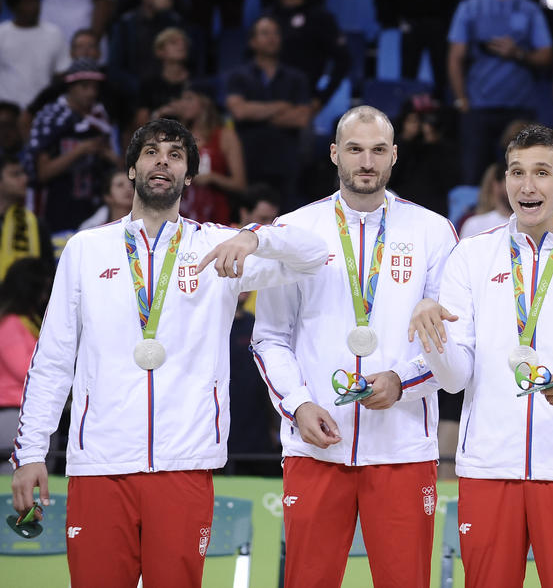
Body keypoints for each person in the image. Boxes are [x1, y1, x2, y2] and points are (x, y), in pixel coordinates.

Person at [9, 118, 327, 587]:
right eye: (152, 152)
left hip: (185, 463)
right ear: (133, 170)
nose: (163, 161)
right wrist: (32, 451)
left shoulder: (219, 248)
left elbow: (315, 254)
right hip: (100, 462)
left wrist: (254, 236)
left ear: (189, 177)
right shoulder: (85, 249)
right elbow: (53, 359)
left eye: (176, 155)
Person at [410, 124, 553, 587]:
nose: (527, 186)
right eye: (517, 172)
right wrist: (433, 338)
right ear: (503, 181)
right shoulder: (470, 256)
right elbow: (456, 379)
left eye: (541, 172)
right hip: (489, 467)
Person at [252, 105, 458, 587]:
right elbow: (270, 338)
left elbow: (452, 337)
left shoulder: (432, 231)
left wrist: (403, 382)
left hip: (403, 447)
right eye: (355, 149)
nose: (366, 162)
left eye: (378, 150)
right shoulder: (294, 229)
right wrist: (298, 404)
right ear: (334, 154)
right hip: (317, 445)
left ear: (394, 157)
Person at [447, 0, 553, 185]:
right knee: (473, 178)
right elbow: (455, 57)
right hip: (478, 109)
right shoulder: (470, 8)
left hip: (520, 109)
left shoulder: (529, 10)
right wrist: (461, 101)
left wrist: (518, 54)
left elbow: (547, 55)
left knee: (524, 179)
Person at [225, 16, 311, 207]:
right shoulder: (238, 76)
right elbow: (239, 112)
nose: (272, 38)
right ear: (252, 41)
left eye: (276, 34)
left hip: (286, 163)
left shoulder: (297, 78)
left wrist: (256, 113)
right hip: (249, 160)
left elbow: (302, 118)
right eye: (265, 34)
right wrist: (281, 107)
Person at [26, 58, 119, 232]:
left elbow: (118, 168)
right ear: (70, 87)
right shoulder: (51, 118)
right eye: (85, 87)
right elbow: (42, 173)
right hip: (57, 208)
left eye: (95, 87)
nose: (91, 93)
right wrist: (80, 151)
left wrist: (108, 155)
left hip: (94, 209)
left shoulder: (101, 118)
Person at [265, 0, 350, 110]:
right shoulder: (268, 17)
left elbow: (343, 61)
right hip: (265, 101)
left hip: (301, 102)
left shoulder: (319, 17)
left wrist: (322, 98)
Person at [0, 257, 53, 473]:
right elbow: (26, 371)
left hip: (32, 412)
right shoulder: (10, 324)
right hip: (13, 413)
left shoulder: (29, 321)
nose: (44, 297)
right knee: (12, 480)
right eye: (42, 289)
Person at [177, 86, 247, 225]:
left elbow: (240, 184)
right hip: (181, 209)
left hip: (215, 212)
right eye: (182, 99)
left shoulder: (225, 136)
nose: (183, 104)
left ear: (205, 102)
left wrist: (212, 178)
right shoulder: (179, 135)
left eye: (189, 98)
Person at [0, 0, 70, 110]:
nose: (35, 6)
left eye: (36, 0)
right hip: (6, 113)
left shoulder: (55, 33)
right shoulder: (2, 34)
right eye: (27, 2)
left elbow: (62, 75)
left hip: (42, 110)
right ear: (13, 6)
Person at [0, 153, 53, 278]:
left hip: (24, 296)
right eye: (15, 175)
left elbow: (48, 276)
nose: (24, 179)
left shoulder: (36, 224)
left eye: (23, 173)